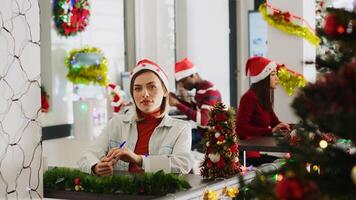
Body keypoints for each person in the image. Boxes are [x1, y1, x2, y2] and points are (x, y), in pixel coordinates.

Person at [78, 59, 193, 175]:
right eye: (138, 88)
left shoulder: (180, 129)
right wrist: (96, 167)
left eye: (151, 87)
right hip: (121, 192)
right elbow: (86, 157)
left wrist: (139, 159)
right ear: (132, 94)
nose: (144, 94)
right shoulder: (116, 124)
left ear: (165, 91)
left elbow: (182, 165)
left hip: (161, 193)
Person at [236, 56, 291, 167]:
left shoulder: (264, 98)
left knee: (288, 163)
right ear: (263, 78)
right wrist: (270, 131)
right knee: (285, 166)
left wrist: (294, 128)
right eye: (273, 74)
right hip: (249, 155)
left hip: (258, 151)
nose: (277, 79)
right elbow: (241, 129)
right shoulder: (249, 97)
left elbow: (275, 123)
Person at [169, 58, 222, 149]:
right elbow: (193, 108)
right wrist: (177, 100)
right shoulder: (200, 90)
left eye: (183, 81)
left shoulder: (210, 92)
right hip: (202, 133)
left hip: (212, 137)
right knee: (174, 139)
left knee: (174, 143)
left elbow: (204, 120)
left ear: (192, 75)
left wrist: (178, 104)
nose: (181, 85)